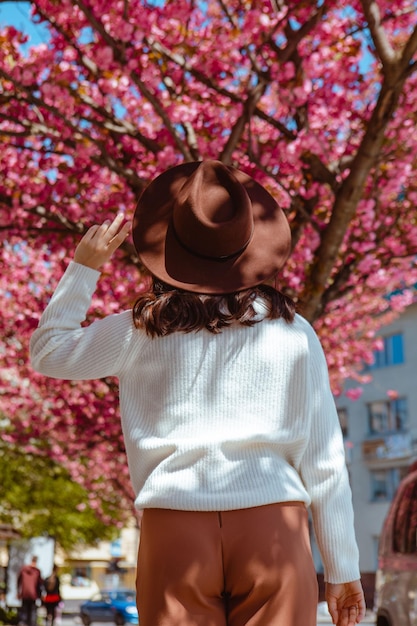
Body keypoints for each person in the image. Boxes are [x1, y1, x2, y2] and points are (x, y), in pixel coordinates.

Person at [30, 160, 365, 626]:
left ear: (170, 247)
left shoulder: (139, 330)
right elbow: (325, 461)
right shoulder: (293, 333)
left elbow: (47, 352)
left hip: (174, 523)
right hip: (274, 525)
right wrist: (343, 569)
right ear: (250, 247)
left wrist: (84, 268)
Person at [17, 555, 42, 626]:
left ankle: (23, 623)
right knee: (32, 612)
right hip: (33, 595)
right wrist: (39, 595)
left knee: (24, 611)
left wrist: (18, 592)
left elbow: (18, 581)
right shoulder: (37, 571)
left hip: (24, 594)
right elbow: (39, 584)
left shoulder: (23, 569)